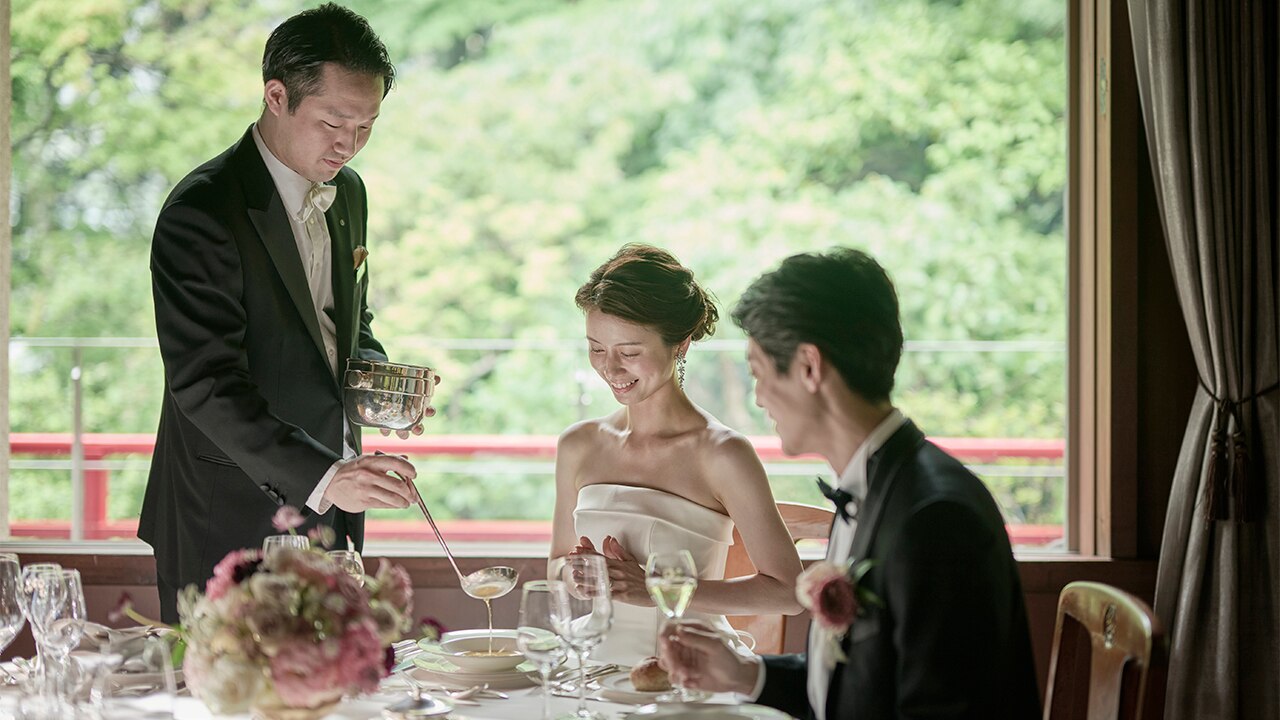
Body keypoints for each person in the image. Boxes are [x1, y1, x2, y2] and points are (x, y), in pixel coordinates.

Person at [658, 248, 1041, 719]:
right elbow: (859, 687)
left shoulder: (936, 518)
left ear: (809, 367)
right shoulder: (871, 488)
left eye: (758, 373)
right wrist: (746, 674)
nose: (758, 398)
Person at [140, 3, 424, 623]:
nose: (348, 146)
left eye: (367, 127)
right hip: (226, 519)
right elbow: (205, 384)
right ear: (276, 95)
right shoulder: (203, 210)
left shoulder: (348, 192)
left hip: (330, 518)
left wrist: (380, 388)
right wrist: (326, 476)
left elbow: (343, 329)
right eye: (333, 123)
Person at [552, 243, 803, 666]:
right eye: (596, 348)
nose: (610, 369)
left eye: (629, 352)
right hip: (588, 664)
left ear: (681, 345)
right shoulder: (578, 445)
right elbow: (557, 567)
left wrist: (656, 588)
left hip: (692, 667)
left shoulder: (722, 454)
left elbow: (788, 591)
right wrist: (580, 576)